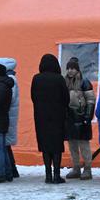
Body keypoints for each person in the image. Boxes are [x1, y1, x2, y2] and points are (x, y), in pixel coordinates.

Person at [30, 53, 70, 184]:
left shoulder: (36, 78)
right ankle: (56, 175)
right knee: (56, 145)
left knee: (45, 145)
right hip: (57, 116)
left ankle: (48, 175)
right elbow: (66, 98)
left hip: (41, 116)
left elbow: (33, 97)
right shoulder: (59, 79)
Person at [63, 57, 95, 180]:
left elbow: (90, 99)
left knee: (84, 144)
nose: (70, 71)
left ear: (77, 69)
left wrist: (88, 115)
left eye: (72, 68)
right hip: (69, 117)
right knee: (72, 144)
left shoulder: (84, 82)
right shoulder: (64, 82)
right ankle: (76, 167)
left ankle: (87, 168)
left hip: (81, 116)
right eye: (68, 68)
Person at [0, 57, 20, 180]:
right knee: (5, 144)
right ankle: (12, 168)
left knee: (4, 143)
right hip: (9, 114)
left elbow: (8, 98)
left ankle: (11, 169)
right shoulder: (11, 79)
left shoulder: (10, 80)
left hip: (7, 115)